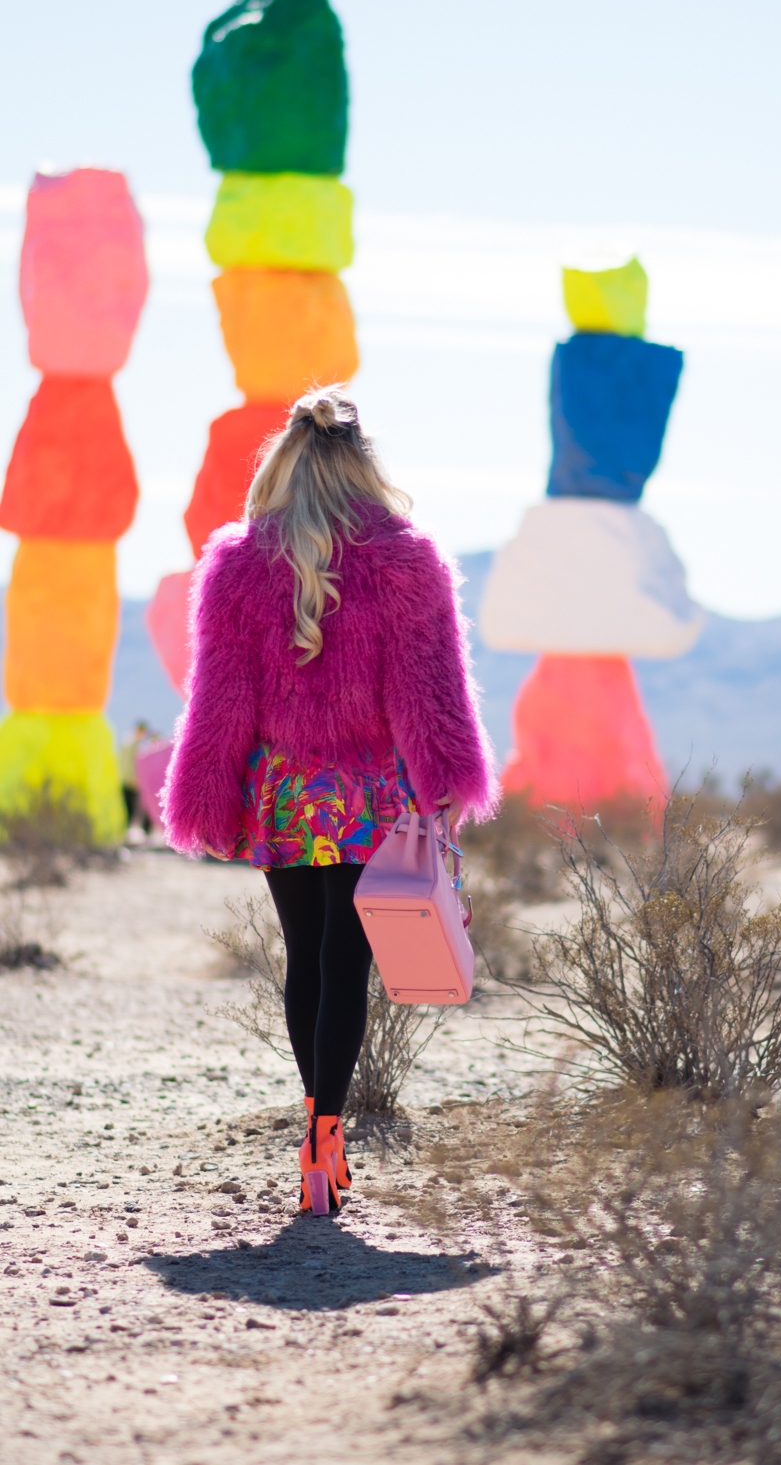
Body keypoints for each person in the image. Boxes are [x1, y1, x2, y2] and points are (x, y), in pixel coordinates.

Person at [161, 390, 498, 1213]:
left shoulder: (239, 563)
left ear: (288, 462)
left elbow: (218, 698)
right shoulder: (408, 560)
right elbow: (432, 694)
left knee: (304, 955)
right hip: (366, 794)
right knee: (348, 961)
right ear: (361, 462)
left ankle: (315, 1127)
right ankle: (327, 1138)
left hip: (280, 792)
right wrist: (446, 784)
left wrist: (206, 794)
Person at [119, 721, 153, 835]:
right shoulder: (133, 744)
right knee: (130, 807)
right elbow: (130, 763)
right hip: (131, 780)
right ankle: (126, 831)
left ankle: (126, 830)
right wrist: (135, 778)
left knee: (129, 807)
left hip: (126, 779)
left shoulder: (128, 742)